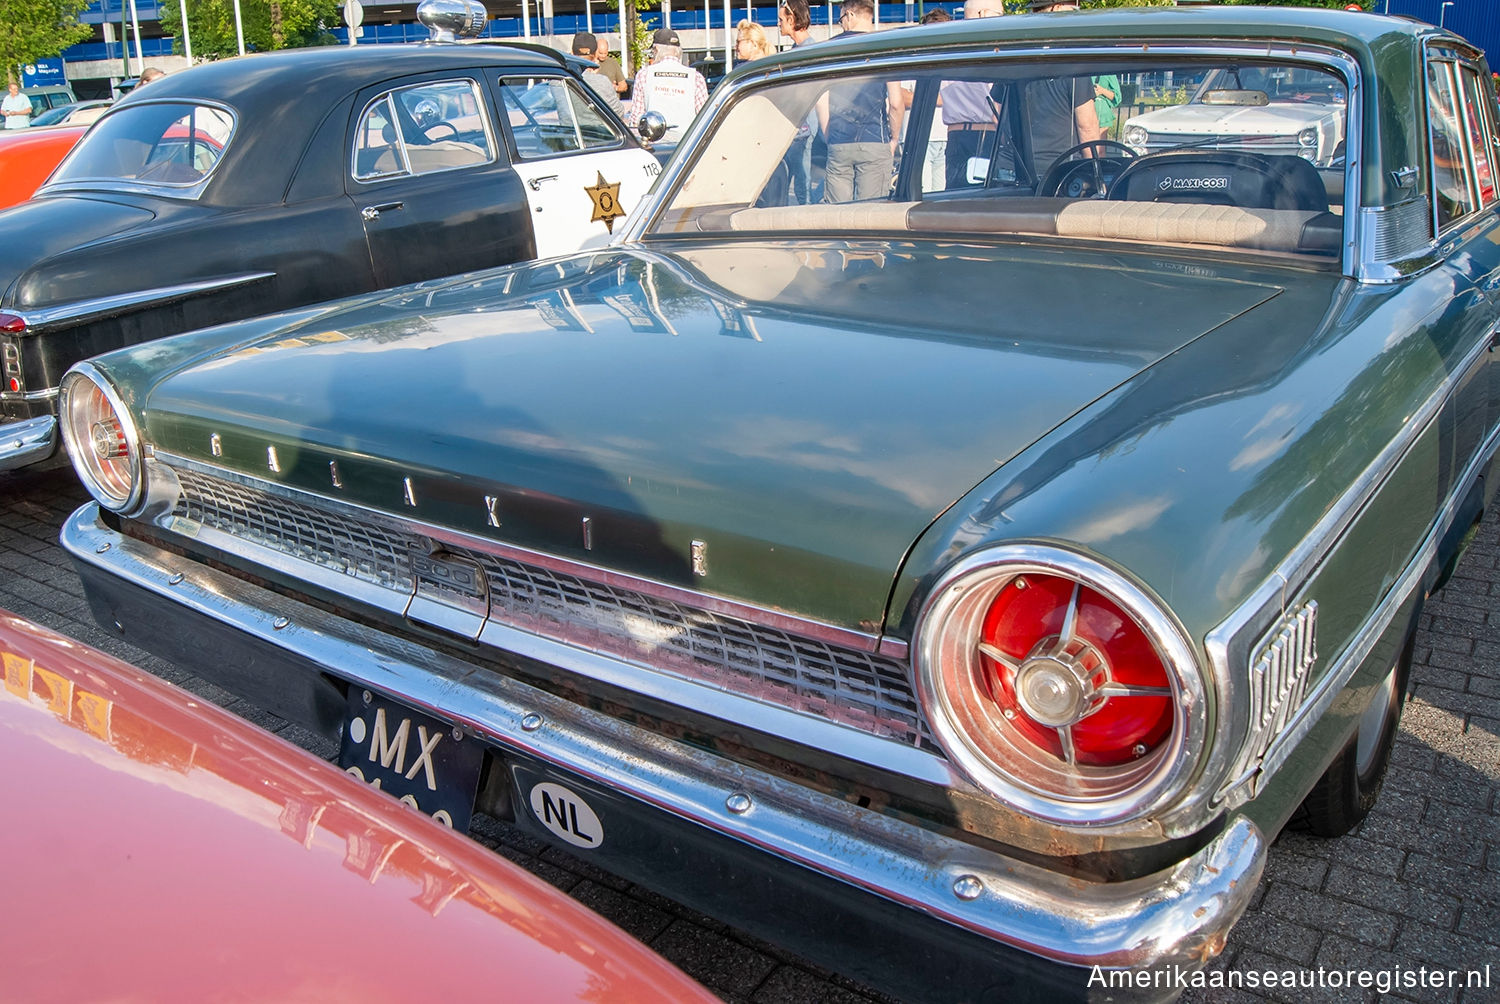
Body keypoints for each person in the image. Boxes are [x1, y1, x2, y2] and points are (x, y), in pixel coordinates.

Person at [817, 0, 904, 203]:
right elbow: (896, 102)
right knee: (871, 215)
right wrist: (894, 139)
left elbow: (821, 99)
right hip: (875, 139)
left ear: (850, 15)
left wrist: (830, 135)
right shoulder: (884, 48)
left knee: (838, 215)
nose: (841, 25)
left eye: (841, 19)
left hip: (839, 140)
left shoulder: (830, 49)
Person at [939, 0, 1004, 189]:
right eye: (998, 13)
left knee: (955, 198)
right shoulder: (995, 49)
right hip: (989, 133)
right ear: (983, 14)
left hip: (956, 135)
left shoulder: (950, 48)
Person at [626, 28, 709, 143]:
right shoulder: (696, 77)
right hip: (686, 146)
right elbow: (705, 117)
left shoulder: (644, 75)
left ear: (656, 50)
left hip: (655, 145)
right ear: (678, 51)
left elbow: (636, 119)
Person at [572, 31, 624, 116]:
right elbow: (619, 112)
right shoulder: (602, 81)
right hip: (597, 128)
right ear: (595, 54)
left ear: (572, 53)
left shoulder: (558, 82)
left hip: (568, 128)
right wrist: (593, 77)